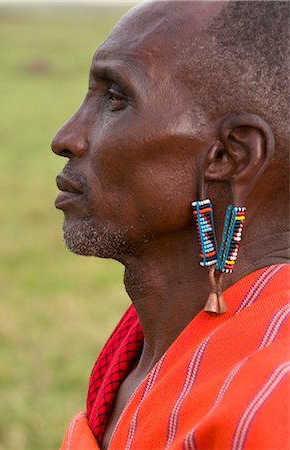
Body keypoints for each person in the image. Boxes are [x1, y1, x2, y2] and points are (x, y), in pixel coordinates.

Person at [51, 1, 289, 449]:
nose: (66, 138)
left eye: (116, 99)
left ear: (229, 156)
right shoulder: (140, 342)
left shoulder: (273, 401)